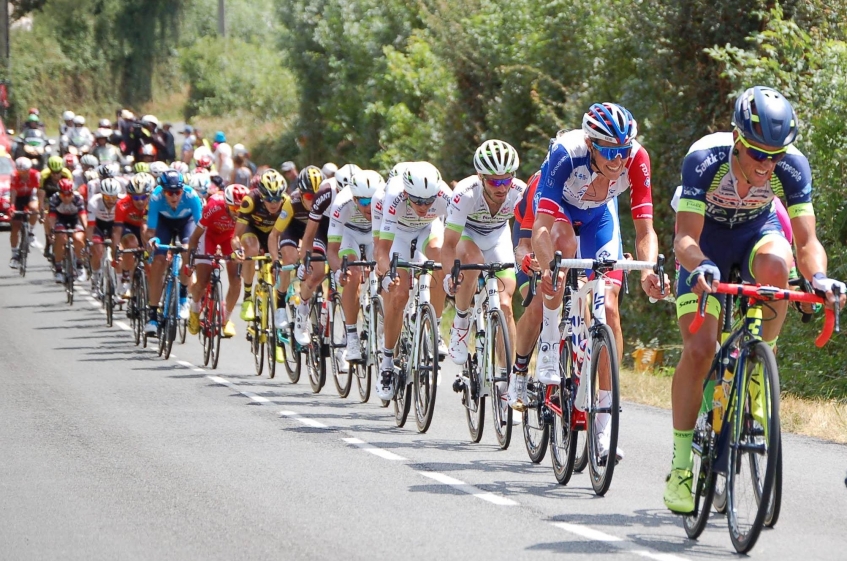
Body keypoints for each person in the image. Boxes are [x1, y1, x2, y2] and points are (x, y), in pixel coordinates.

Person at [662, 86, 847, 514]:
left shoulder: (791, 167)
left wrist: (817, 275)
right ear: (736, 139)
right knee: (700, 349)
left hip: (754, 236)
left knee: (776, 269)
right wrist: (701, 264)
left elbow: (806, 240)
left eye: (776, 156)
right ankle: (682, 466)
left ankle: (760, 365)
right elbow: (684, 238)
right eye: (758, 154)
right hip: (704, 244)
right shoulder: (704, 160)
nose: (768, 165)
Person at [531, 103, 665, 462]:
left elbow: (644, 230)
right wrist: (547, 268)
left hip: (601, 217)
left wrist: (649, 270)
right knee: (560, 258)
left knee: (608, 308)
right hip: (559, 214)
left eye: (622, 150)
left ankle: (603, 430)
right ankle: (548, 340)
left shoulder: (637, 159)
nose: (617, 159)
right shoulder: (566, 153)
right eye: (608, 151)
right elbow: (540, 227)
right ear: (590, 143)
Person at [442, 140, 525, 373]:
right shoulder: (465, 194)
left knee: (506, 303)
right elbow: (448, 245)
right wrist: (450, 274)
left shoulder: (520, 192)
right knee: (473, 262)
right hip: (467, 235)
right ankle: (460, 323)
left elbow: (530, 231)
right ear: (481, 177)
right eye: (494, 181)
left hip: (498, 236)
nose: (501, 187)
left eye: (506, 179)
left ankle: (507, 372)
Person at [374, 161, 452, 399]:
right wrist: (387, 273)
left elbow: (457, 241)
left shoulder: (445, 196)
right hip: (396, 232)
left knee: (440, 259)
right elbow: (381, 250)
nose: (423, 205)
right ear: (407, 193)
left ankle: (435, 327)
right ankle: (387, 362)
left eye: (428, 201)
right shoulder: (393, 197)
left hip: (428, 229)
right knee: (399, 295)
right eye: (417, 201)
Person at [292, 163, 361, 346]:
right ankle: (303, 310)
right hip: (324, 227)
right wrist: (304, 262)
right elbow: (309, 234)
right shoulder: (325, 193)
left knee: (354, 276)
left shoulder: (364, 192)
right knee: (317, 273)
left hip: (347, 229)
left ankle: (348, 340)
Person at [327, 169, 385, 362]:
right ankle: (351, 337)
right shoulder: (341, 204)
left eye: (374, 201)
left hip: (374, 236)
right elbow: (332, 251)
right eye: (364, 202)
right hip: (348, 235)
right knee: (351, 272)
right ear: (354, 198)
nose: (370, 207)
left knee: (385, 270)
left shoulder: (387, 201)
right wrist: (339, 272)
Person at [267, 166, 321, 348]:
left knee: (316, 266)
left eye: (316, 196)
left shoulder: (326, 202)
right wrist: (276, 260)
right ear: (301, 194)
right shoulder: (292, 202)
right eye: (308, 197)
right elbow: (274, 235)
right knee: (289, 260)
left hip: (314, 234)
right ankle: (281, 305)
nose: (313, 202)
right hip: (294, 231)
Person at [145, 170, 203, 335]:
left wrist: (195, 247)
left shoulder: (191, 196)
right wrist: (152, 241)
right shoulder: (156, 198)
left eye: (178, 192)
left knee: (187, 251)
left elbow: (200, 227)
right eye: (170, 192)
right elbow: (151, 230)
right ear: (163, 191)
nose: (174, 196)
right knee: (158, 262)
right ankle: (153, 315)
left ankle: (184, 295)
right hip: (164, 224)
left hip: (187, 222)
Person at [187, 184, 249, 338]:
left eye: (241, 210)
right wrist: (191, 261)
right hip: (208, 236)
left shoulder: (247, 211)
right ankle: (194, 310)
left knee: (236, 279)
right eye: (234, 209)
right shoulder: (214, 206)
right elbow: (195, 236)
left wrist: (240, 252)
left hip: (230, 238)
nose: (238, 213)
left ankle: (226, 319)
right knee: (202, 280)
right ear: (226, 204)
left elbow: (244, 237)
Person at [231, 169, 293, 322]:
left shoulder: (288, 202)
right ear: (261, 195)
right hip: (252, 230)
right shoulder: (250, 200)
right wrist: (238, 250)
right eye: (269, 199)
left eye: (277, 198)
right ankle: (247, 298)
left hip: (273, 234)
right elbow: (235, 236)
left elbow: (293, 231)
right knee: (252, 249)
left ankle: (279, 300)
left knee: (282, 259)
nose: (274, 203)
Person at [112, 172, 154, 298]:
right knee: (131, 244)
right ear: (130, 196)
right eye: (135, 198)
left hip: (147, 229)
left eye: (143, 197)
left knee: (150, 264)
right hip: (128, 227)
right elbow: (117, 231)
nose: (140, 201)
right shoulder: (122, 204)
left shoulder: (154, 203)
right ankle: (126, 278)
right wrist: (116, 252)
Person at [86, 177, 122, 298]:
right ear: (102, 195)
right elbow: (90, 227)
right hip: (98, 226)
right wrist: (89, 244)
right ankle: (95, 280)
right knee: (98, 251)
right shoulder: (94, 202)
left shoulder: (121, 202)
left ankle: (119, 284)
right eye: (107, 197)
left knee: (118, 252)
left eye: (114, 197)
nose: (111, 200)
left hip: (114, 226)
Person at [47, 178, 88, 283]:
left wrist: (87, 231)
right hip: (61, 219)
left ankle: (80, 266)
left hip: (75, 219)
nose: (66, 198)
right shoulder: (54, 199)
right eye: (63, 195)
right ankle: (59, 269)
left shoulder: (78, 198)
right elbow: (51, 217)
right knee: (60, 237)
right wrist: (51, 232)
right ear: (59, 193)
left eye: (68, 195)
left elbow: (83, 217)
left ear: (72, 193)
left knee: (78, 239)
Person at [8, 158, 40, 268]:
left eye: (25, 171)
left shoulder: (36, 175)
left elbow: (38, 192)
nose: (23, 174)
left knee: (34, 209)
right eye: (20, 172)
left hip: (30, 196)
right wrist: (12, 206)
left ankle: (31, 233)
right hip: (18, 198)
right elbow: (13, 192)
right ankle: (14, 254)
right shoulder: (14, 176)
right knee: (15, 226)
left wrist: (39, 206)